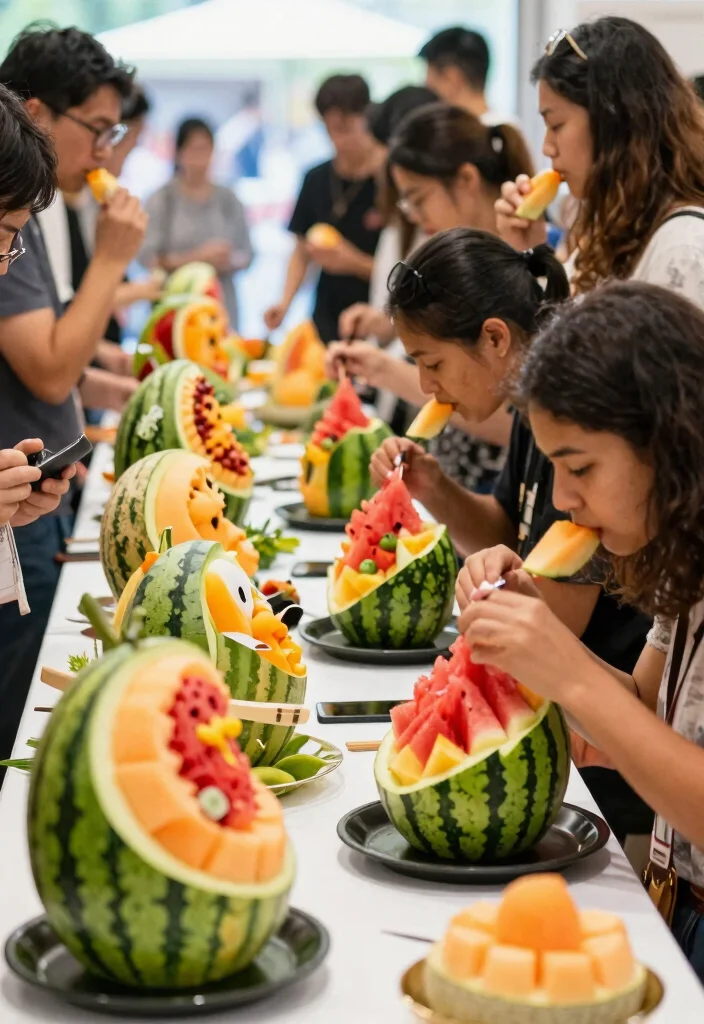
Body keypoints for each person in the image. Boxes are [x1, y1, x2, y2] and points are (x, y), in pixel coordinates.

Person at [369, 229, 653, 843]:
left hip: (604, 772)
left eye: (432, 362)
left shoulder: (576, 418)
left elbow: (558, 626)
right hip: (583, 726)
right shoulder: (534, 411)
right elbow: (507, 528)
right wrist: (435, 490)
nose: (424, 386)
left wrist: (500, 606)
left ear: (495, 338)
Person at [457, 282, 704, 978]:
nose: (563, 500)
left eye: (581, 468)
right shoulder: (685, 563)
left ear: (669, 439)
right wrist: (527, 624)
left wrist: (563, 666)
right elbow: (644, 713)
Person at [0, 25, 147, 760]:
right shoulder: (22, 220)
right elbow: (49, 368)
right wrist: (116, 258)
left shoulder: (32, 215)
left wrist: (114, 381)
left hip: (28, 496)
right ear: (35, 114)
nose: (106, 150)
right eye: (96, 128)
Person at [330, 103, 534, 494]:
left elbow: (521, 423)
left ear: (466, 180)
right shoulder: (465, 260)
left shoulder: (528, 263)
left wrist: (386, 371)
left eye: (418, 198)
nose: (414, 216)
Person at [496, 17, 704, 302]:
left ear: (616, 121)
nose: (547, 148)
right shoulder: (612, 232)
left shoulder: (683, 249)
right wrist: (532, 254)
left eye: (556, 125)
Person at [264, 74, 383, 342]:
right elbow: (301, 250)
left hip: (380, 320)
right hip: (326, 319)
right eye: (329, 129)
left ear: (367, 117)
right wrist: (284, 303)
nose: (337, 140)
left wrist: (354, 263)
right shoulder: (316, 178)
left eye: (345, 128)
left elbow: (409, 268)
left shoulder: (392, 180)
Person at [338, 84, 437, 347]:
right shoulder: (400, 216)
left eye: (377, 152)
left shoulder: (431, 223)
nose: (372, 163)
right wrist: (383, 323)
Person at [140, 116, 252, 330]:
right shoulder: (162, 200)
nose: (200, 159)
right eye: (194, 150)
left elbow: (247, 254)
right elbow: (147, 257)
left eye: (206, 150)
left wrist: (228, 259)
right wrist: (196, 259)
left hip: (220, 308)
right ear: (179, 152)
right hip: (174, 309)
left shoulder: (228, 198)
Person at [419, 27, 498, 123]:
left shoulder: (469, 135)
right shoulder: (508, 133)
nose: (425, 85)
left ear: (452, 78)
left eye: (429, 75)